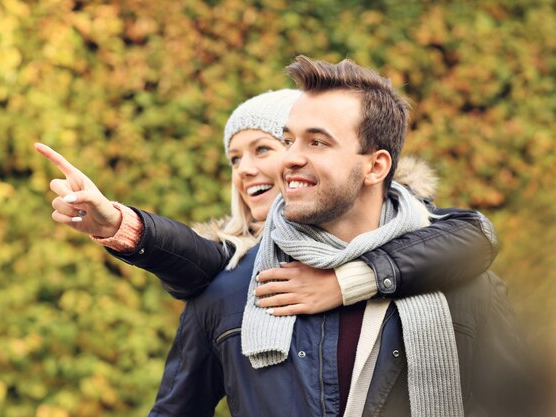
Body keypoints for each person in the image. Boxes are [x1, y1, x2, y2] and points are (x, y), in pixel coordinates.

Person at [133, 56, 538, 417]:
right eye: (289, 140)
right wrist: (125, 226)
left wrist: (350, 282)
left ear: (376, 167)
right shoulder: (229, 292)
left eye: (317, 142)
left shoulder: (469, 289)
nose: (289, 158)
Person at [35, 91, 496, 314]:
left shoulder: (415, 228)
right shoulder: (239, 270)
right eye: (235, 158)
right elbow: (197, 259)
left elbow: (471, 236)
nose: (245, 170)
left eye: (263, 150)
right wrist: (116, 221)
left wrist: (343, 282)